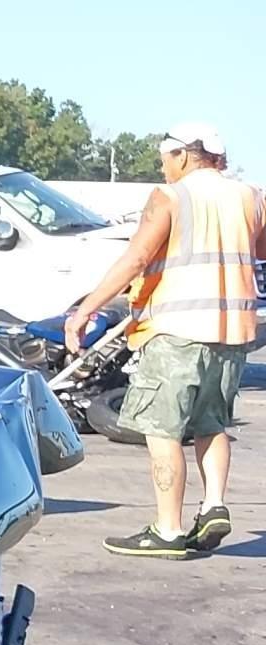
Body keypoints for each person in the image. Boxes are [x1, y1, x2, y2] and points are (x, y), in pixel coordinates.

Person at [67, 122, 264, 558]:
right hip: (232, 334)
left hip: (177, 331)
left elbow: (137, 256)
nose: (163, 170)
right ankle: (213, 505)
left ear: (183, 155)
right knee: (212, 424)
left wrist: (86, 308)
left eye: (165, 161)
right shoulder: (250, 196)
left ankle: (169, 529)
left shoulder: (171, 197)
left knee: (162, 431)